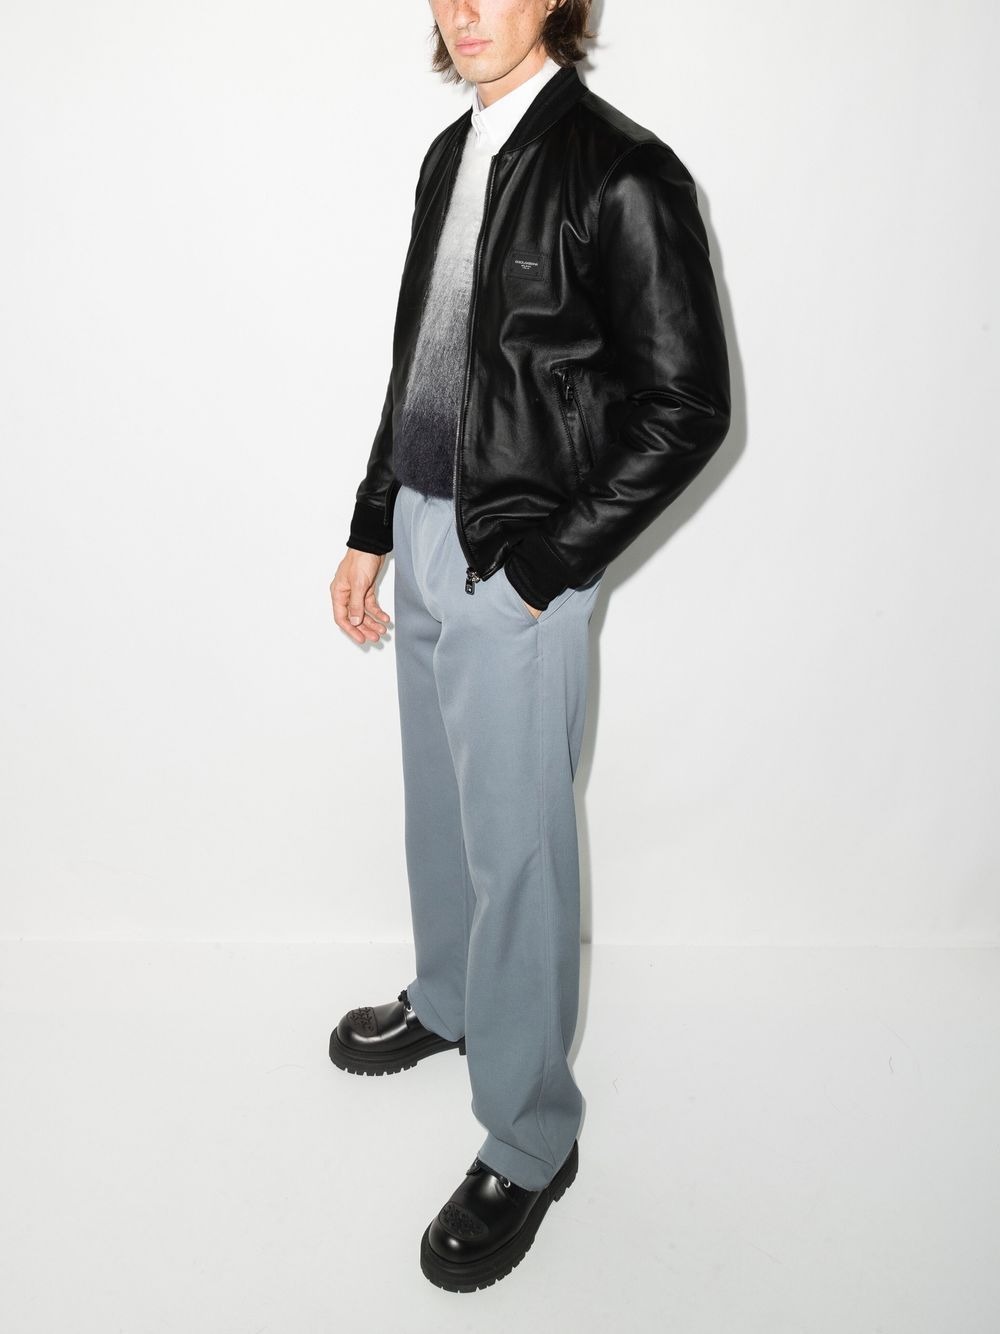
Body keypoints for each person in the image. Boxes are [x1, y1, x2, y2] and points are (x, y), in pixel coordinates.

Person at [327, 0, 730, 1293]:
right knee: (439, 806)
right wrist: (373, 523)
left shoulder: (624, 173)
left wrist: (550, 568)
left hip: (519, 562)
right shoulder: (450, 156)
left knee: (519, 843)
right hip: (428, 527)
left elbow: (689, 405)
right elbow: (417, 362)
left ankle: (531, 1135)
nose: (465, 8)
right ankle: (450, 999)